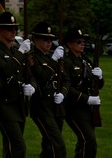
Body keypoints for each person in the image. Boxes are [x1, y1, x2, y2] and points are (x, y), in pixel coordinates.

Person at [0, 11, 36, 158]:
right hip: (5, 105)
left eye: (15, 28)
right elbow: (6, 70)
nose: (13, 31)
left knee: (10, 149)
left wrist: (32, 86)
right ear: (0, 30)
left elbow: (29, 74)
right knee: (18, 147)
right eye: (9, 28)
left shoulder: (16, 51)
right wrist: (21, 53)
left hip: (19, 105)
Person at [29, 21, 69, 158]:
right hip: (42, 107)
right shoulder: (32, 57)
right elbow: (42, 76)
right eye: (46, 39)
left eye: (51, 39)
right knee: (58, 146)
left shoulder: (52, 56)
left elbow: (66, 79)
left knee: (48, 146)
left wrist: (62, 93)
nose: (49, 42)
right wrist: (53, 60)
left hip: (56, 106)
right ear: (36, 39)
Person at [62, 28, 104, 158]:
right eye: (79, 41)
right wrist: (87, 99)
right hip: (73, 108)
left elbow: (98, 85)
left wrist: (100, 77)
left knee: (84, 141)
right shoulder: (66, 62)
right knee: (89, 140)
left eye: (84, 41)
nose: (82, 43)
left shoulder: (86, 61)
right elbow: (67, 87)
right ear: (69, 44)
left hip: (88, 109)